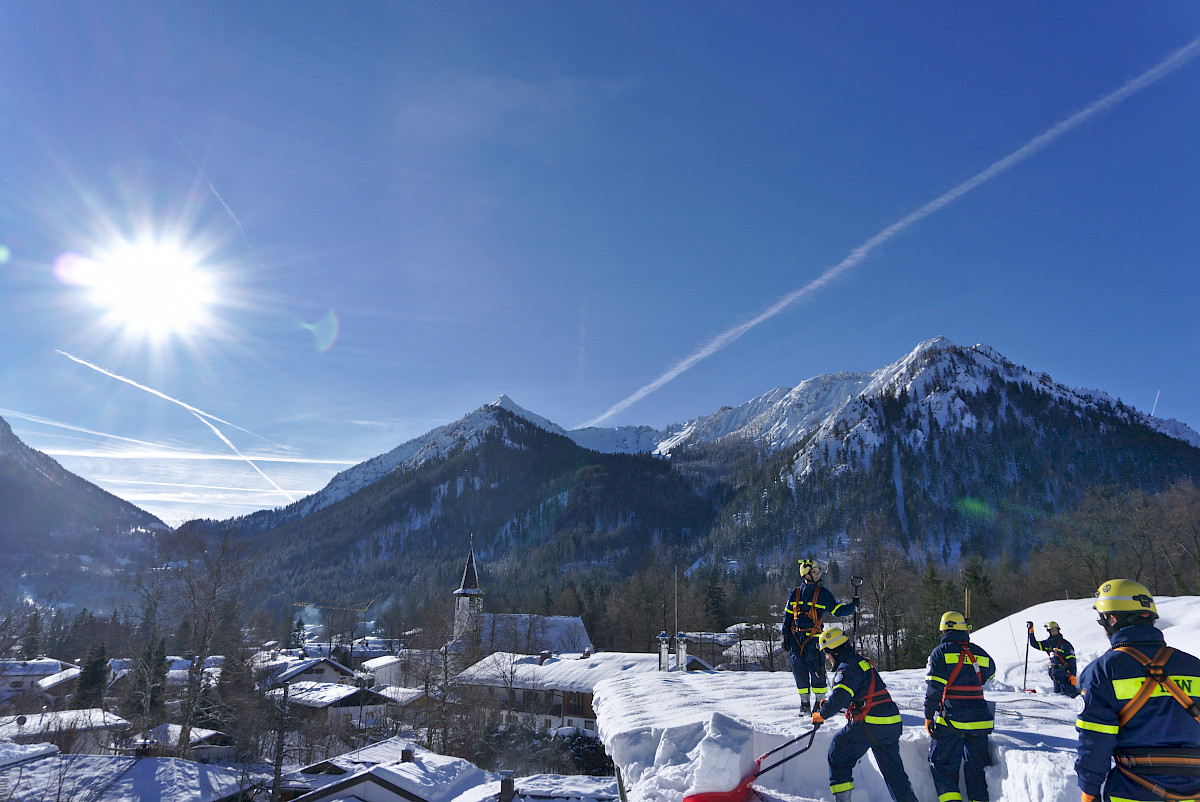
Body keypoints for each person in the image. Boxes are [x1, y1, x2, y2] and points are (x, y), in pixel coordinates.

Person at [1075, 578, 1200, 802]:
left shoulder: (1102, 672)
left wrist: (1089, 792)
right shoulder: (1194, 667)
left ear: (1111, 619)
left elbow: (1095, 742)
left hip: (1133, 792)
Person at [812, 627, 918, 802]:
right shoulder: (860, 662)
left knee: (838, 753)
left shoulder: (846, 667)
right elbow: (856, 696)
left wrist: (822, 714)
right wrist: (831, 705)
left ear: (835, 651)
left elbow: (840, 696)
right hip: (890, 724)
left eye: (827, 653)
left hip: (871, 723)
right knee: (894, 774)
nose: (827, 658)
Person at [925, 610, 996, 802]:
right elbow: (990, 672)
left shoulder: (940, 653)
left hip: (951, 720)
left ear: (944, 631)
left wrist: (928, 715)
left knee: (942, 765)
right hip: (979, 722)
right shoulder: (979, 652)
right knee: (976, 770)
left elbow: (934, 688)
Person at [782, 558, 856, 714]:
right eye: (815, 572)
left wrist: (852, 607)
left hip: (814, 640)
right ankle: (804, 704)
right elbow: (787, 617)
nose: (818, 575)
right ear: (806, 575)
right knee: (799, 671)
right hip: (796, 640)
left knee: (817, 671)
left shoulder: (823, 594)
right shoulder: (795, 594)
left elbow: (837, 611)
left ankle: (819, 702)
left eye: (818, 572)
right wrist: (785, 636)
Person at [1026, 619, 1079, 697]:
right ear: (1049, 631)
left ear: (1058, 630)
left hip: (1065, 675)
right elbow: (1034, 644)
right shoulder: (1048, 643)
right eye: (1052, 630)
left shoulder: (1065, 644)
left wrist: (1073, 675)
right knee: (1056, 697)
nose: (1054, 632)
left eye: (1055, 630)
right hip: (1054, 674)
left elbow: (1072, 661)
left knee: (1068, 696)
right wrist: (1031, 631)